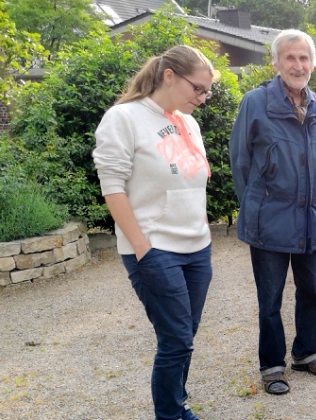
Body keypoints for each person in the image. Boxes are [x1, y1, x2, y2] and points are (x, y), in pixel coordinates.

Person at [93, 45, 218, 420]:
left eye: (207, 91)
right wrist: (142, 248)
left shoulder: (188, 122)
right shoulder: (123, 118)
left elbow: (190, 183)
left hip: (197, 248)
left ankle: (177, 405)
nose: (203, 97)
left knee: (184, 340)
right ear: (169, 76)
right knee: (176, 340)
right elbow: (112, 187)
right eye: (198, 88)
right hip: (154, 248)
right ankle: (170, 414)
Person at [229, 29, 316, 396]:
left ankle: (305, 355)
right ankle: (272, 366)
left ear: (313, 64)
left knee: (311, 293)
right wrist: (258, 206)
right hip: (269, 220)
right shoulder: (255, 102)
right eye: (290, 57)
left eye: (304, 58)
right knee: (270, 300)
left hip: (311, 217)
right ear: (276, 63)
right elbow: (240, 163)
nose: (298, 64)